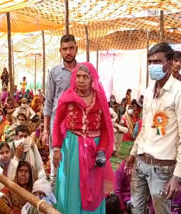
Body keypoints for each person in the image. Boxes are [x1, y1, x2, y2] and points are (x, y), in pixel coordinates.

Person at [125, 43, 181, 214]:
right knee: (136, 211)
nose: (152, 66)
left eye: (157, 62)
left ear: (169, 63)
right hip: (141, 163)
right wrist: (132, 154)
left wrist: (177, 176)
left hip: (163, 168)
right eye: (150, 62)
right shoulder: (148, 92)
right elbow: (145, 128)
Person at [52, 62, 114, 213]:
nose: (81, 80)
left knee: (93, 187)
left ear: (92, 79)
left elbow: (106, 129)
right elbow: (57, 123)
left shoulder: (99, 100)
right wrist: (56, 148)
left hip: (94, 150)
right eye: (78, 76)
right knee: (72, 186)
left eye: (85, 77)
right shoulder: (67, 98)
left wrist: (102, 151)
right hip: (71, 148)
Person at [42, 34, 78, 188]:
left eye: (71, 48)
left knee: (75, 165)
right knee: (55, 165)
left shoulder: (83, 71)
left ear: (76, 49)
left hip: (78, 126)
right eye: (65, 49)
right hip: (57, 125)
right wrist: (45, 130)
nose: (68, 52)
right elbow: (48, 102)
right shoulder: (54, 72)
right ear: (60, 51)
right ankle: (54, 205)